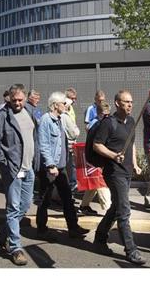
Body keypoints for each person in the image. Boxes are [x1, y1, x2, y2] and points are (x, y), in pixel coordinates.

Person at [0, 84, 40, 266]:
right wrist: (5, 164)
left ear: (25, 98)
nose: (17, 103)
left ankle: (3, 236)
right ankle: (16, 247)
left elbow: (34, 138)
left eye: (20, 99)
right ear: (9, 98)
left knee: (25, 205)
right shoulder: (2, 116)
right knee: (13, 208)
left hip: (29, 169)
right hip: (13, 170)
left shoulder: (30, 112)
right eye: (14, 99)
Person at [92, 90, 146, 265]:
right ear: (117, 103)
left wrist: (135, 163)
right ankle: (131, 250)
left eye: (131, 102)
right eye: (126, 102)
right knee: (124, 211)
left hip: (127, 170)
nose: (130, 105)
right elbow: (97, 145)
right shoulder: (108, 123)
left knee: (116, 208)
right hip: (114, 172)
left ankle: (99, 238)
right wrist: (113, 156)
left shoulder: (131, 121)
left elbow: (131, 143)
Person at [36, 92, 90, 239]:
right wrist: (51, 165)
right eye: (63, 103)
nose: (66, 106)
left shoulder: (61, 119)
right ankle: (41, 229)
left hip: (60, 167)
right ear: (55, 105)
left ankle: (73, 227)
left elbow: (71, 135)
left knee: (67, 197)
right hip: (50, 168)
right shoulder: (46, 120)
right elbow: (44, 145)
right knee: (45, 199)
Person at [79, 101, 112, 216]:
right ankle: (110, 211)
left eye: (108, 114)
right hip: (95, 159)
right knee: (101, 184)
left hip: (92, 158)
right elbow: (99, 145)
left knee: (94, 183)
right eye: (104, 115)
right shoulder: (98, 125)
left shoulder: (97, 124)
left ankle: (84, 206)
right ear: (98, 113)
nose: (107, 117)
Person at [60, 95, 80, 193]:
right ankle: (71, 185)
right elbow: (74, 132)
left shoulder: (59, 116)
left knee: (66, 167)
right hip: (69, 145)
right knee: (70, 166)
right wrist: (76, 129)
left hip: (64, 145)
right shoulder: (65, 116)